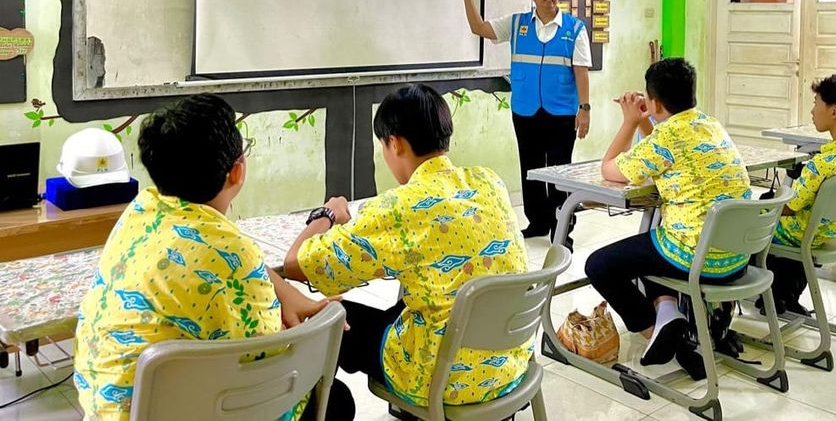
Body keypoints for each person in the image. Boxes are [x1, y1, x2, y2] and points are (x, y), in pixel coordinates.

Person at [73, 94, 353, 421]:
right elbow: (271, 359)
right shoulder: (234, 251)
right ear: (237, 171)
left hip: (111, 409)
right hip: (194, 408)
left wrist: (284, 291)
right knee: (336, 399)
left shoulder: (139, 213)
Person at [284, 84, 530, 411]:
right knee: (409, 303)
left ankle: (323, 409)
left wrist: (328, 214)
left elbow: (296, 264)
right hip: (509, 362)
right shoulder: (490, 181)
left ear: (395, 144)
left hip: (441, 380)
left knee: (333, 317)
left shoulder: (399, 208)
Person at [585, 58, 750, 376]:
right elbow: (658, 149)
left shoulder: (666, 139)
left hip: (699, 259)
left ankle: (670, 342)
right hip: (737, 255)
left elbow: (610, 169)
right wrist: (649, 120)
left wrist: (630, 121)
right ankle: (668, 314)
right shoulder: (710, 123)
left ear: (654, 102)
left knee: (600, 265)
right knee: (649, 243)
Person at [460, 0, 591, 245]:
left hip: (562, 112)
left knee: (559, 172)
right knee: (530, 168)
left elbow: (581, 71)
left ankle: (562, 228)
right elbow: (478, 27)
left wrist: (585, 109)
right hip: (525, 110)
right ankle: (538, 221)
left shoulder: (575, 28)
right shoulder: (517, 23)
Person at [765, 74, 836, 315]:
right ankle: (786, 294)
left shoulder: (823, 164)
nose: (812, 111)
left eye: (816, 103)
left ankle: (770, 293)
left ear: (834, 112)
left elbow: (789, 207)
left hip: (799, 233)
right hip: (827, 229)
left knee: (758, 212)